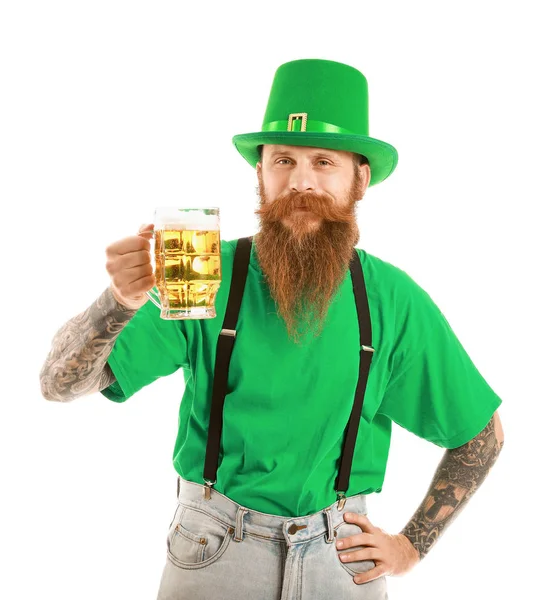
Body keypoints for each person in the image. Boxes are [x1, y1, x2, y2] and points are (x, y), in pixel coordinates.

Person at [40, 59, 505, 600]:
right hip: (213, 549)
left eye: (324, 161)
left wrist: (409, 547)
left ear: (361, 177)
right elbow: (59, 385)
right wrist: (118, 302)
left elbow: (480, 435)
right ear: (260, 172)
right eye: (282, 159)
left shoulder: (392, 298)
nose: (300, 181)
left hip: (343, 558)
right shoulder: (201, 272)